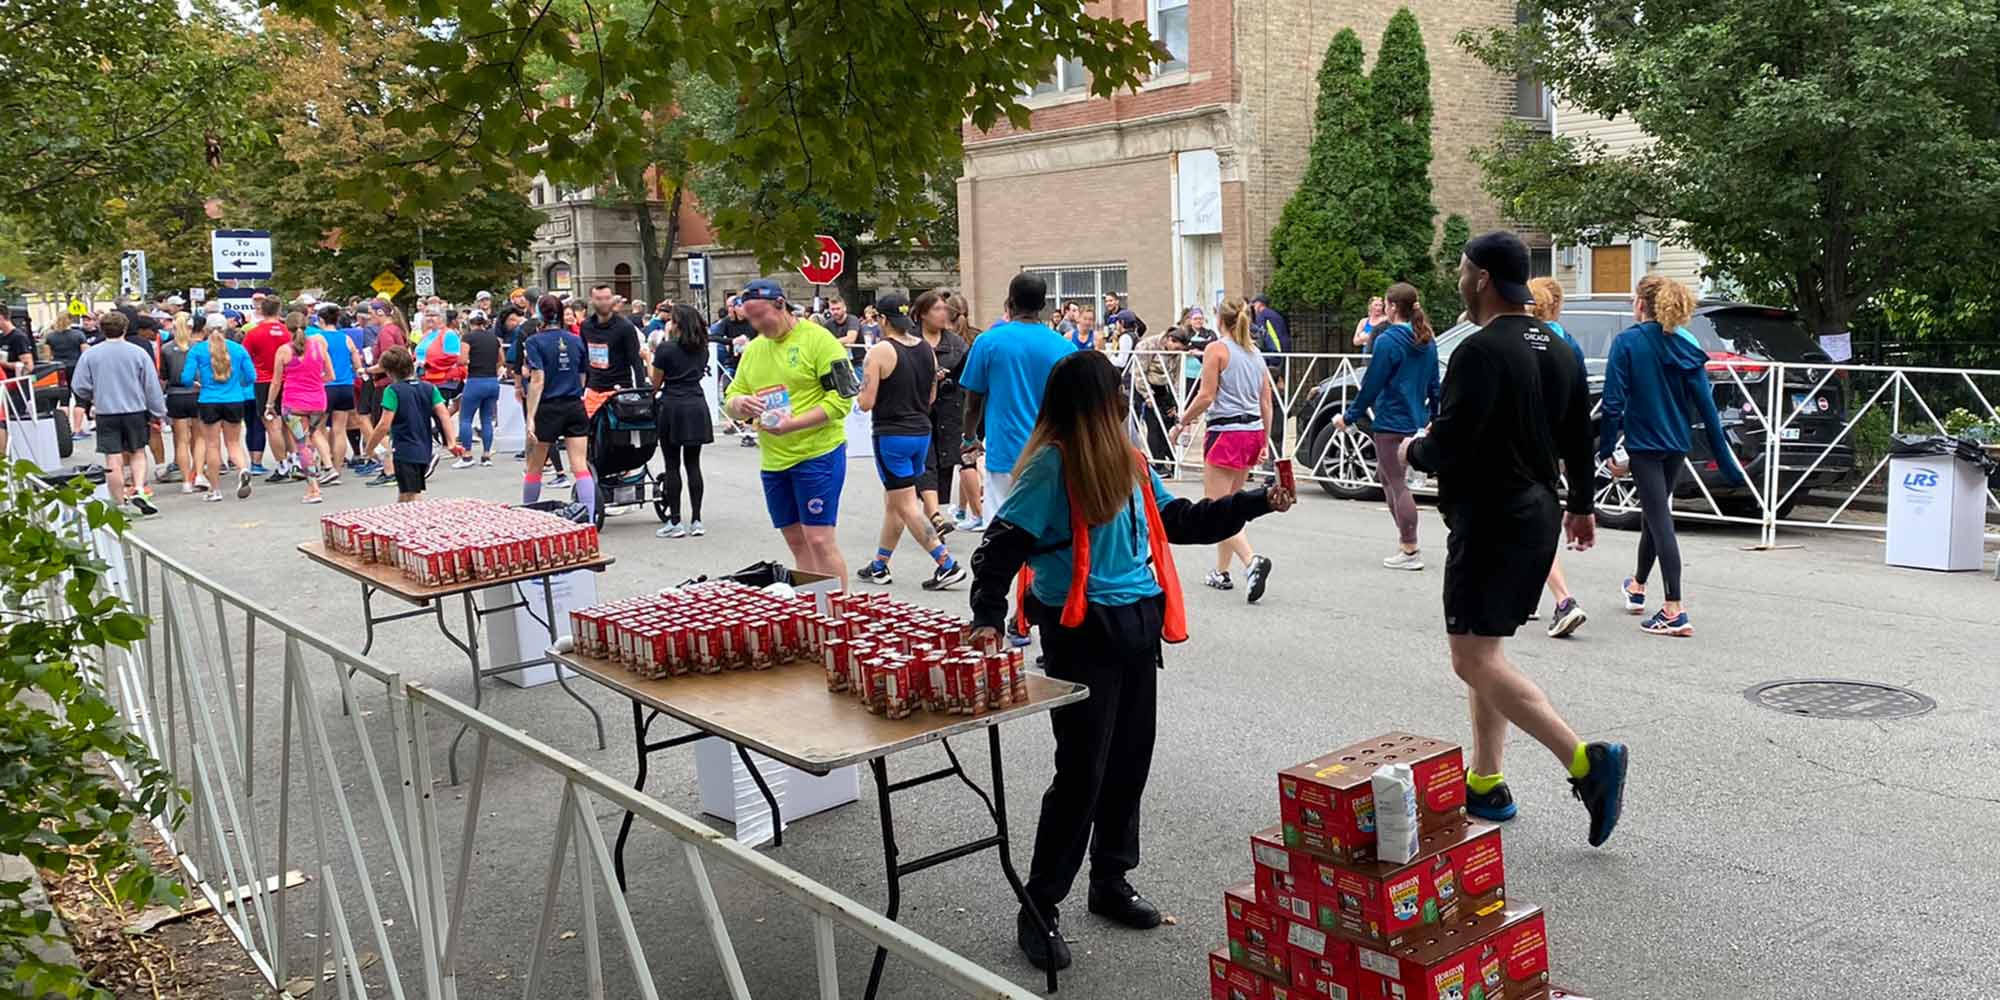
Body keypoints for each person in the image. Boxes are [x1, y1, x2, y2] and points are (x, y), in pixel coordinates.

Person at [967, 350, 1294, 971]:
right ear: (1099, 405)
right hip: (1080, 632)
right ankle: (1040, 906)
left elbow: (1180, 521)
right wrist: (987, 619)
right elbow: (997, 552)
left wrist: (1256, 501)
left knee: (1128, 762)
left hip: (1136, 627)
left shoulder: (1132, 462)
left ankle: (1110, 880)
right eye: (1116, 396)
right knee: (1082, 774)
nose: (1123, 404)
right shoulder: (1052, 467)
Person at [1400, 231, 1627, 844]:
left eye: (1461, 267)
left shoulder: (1478, 351)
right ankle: (1486, 782)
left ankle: (1587, 762)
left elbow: (1451, 442)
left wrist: (1411, 448)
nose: (1456, 275)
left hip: (1493, 517)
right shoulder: (1558, 345)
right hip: (1536, 512)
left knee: (1470, 657)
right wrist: (1581, 505)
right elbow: (1581, 435)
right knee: (1488, 652)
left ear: (1480, 278)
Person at [1601, 274, 1743, 638]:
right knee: (1655, 512)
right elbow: (1708, 410)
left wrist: (1605, 449)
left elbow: (1613, 402)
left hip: (1645, 445)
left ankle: (1674, 608)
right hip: (1676, 444)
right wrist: (1727, 462)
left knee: (1660, 519)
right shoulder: (1687, 348)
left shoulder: (1627, 343)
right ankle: (1637, 587)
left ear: (1640, 304)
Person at [723, 279, 856, 588]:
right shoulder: (755, 349)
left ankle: (839, 613)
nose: (756, 325)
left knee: (819, 538)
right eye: (750, 318)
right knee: (797, 541)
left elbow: (842, 400)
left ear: (781, 304)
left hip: (818, 452)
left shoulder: (820, 341)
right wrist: (740, 403)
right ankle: (812, 609)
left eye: (760, 316)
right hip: (774, 460)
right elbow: (731, 398)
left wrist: (792, 424)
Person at [856, 293, 965, 590]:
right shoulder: (925, 350)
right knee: (895, 501)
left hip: (892, 435)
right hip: (921, 432)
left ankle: (946, 564)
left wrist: (855, 391)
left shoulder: (879, 351)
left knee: (906, 504)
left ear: (882, 319)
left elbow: (866, 402)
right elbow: (931, 396)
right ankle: (880, 564)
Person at [1170, 297, 1277, 602]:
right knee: (1230, 506)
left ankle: (1251, 560)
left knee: (1216, 507)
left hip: (1226, 432)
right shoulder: (1255, 354)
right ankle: (1221, 570)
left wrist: (1181, 422)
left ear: (1219, 320)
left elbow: (1205, 397)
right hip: (1252, 431)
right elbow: (1266, 403)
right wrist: (1265, 440)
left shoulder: (1216, 349)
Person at [1331, 282, 1440, 570]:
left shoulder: (1388, 341)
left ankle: (1410, 547)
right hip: (1416, 419)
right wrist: (1435, 418)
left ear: (1392, 307)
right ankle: (1406, 542)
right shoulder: (1427, 339)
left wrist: (1349, 416)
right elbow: (1433, 384)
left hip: (1392, 419)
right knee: (1387, 476)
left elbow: (1372, 383)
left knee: (1396, 482)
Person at [961, 273, 1077, 522]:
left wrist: (969, 437)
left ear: (1010, 303)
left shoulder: (987, 342)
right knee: (1045, 527)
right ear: (1043, 306)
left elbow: (973, 402)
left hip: (1005, 451)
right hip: (1051, 452)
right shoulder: (1065, 347)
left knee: (1001, 526)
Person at [1527, 277, 1588, 638]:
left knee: (1529, 524)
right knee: (1528, 518)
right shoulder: (1567, 342)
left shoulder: (1524, 340)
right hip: (1555, 440)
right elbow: (1578, 400)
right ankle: (1529, 597)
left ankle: (1564, 600)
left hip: (1524, 441)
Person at [69, 312, 165, 516]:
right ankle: (139, 488)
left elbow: (79, 385)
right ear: (125, 328)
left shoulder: (91, 354)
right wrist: (158, 411)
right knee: (138, 451)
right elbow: (151, 385)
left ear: (102, 329)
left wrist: (93, 396)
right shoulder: (138, 353)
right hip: (135, 410)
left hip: (106, 411)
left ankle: (119, 502)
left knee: (113, 458)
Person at [521, 294, 593, 506]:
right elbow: (582, 375)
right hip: (573, 403)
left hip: (548, 406)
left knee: (535, 466)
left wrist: (531, 417)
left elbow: (537, 379)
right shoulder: (576, 340)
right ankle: (589, 515)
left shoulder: (534, 341)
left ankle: (528, 511)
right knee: (579, 465)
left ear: (540, 314)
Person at [365, 348, 464, 501]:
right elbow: (444, 414)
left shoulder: (392, 391)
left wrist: (370, 447)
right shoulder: (429, 388)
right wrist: (451, 442)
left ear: (389, 372)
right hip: (424, 448)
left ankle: (414, 522)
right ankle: (402, 520)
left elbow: (384, 424)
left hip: (404, 448)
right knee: (408, 492)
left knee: (411, 494)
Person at [650, 304, 715, 538]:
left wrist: (649, 356)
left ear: (678, 324)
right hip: (696, 403)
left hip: (672, 404)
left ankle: (675, 521)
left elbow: (655, 382)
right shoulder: (702, 349)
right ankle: (696, 519)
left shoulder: (665, 349)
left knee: (671, 464)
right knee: (693, 463)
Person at [180, 316, 257, 502]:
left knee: (212, 445)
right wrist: (240, 384)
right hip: (235, 399)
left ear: (205, 329)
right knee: (233, 443)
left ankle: (215, 490)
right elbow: (251, 376)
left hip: (209, 400)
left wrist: (197, 384)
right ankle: (243, 468)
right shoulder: (238, 349)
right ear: (226, 329)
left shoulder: (198, 350)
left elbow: (185, 378)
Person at [914, 290, 971, 538]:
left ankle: (930, 513)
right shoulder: (910, 342)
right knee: (926, 461)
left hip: (949, 411)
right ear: (923, 314)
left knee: (943, 462)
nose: (943, 313)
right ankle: (935, 517)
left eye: (944, 309)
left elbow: (967, 383)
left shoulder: (957, 345)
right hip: (917, 411)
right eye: (937, 309)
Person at [269, 316, 337, 502]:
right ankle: (325, 470)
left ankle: (313, 489)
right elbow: (331, 375)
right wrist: (315, 383)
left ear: (287, 329)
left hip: (294, 403)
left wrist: (269, 404)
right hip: (318, 402)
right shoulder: (318, 346)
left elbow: (276, 382)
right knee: (312, 437)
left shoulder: (283, 351)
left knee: (302, 445)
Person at [945, 292, 987, 529]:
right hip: (982, 403)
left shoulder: (950, 343)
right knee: (966, 459)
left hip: (961, 405)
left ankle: (978, 513)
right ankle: (963, 508)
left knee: (967, 460)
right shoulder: (979, 337)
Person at [241, 297, 294, 478]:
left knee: (272, 426)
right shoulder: (289, 332)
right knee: (289, 423)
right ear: (279, 310)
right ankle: (294, 461)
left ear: (262, 311)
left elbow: (244, 358)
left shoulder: (254, 333)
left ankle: (282, 466)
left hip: (264, 381)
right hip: (289, 380)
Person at [310, 304, 366, 473]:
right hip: (346, 385)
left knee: (319, 429)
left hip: (326, 386)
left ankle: (327, 465)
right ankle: (338, 468)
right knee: (339, 429)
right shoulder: (346, 338)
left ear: (320, 320)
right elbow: (357, 362)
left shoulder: (318, 338)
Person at [1132, 325, 1190, 476]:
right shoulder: (1148, 345)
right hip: (1146, 386)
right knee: (1154, 425)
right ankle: (1159, 464)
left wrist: (1176, 401)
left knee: (1169, 423)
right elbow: (1139, 373)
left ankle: (1171, 459)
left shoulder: (1177, 353)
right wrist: (1147, 395)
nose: (1177, 352)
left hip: (1164, 388)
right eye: (1176, 347)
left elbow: (1176, 376)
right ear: (1170, 340)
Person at [452, 311, 503, 467]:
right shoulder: (494, 339)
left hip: (475, 380)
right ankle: (486, 455)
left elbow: (461, 360)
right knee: (487, 419)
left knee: (466, 418)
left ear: (470, 322)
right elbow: (502, 359)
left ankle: (467, 455)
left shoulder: (468, 337)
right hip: (492, 381)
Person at [158, 314, 203, 493]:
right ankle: (198, 473)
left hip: (176, 394)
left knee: (181, 440)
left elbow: (164, 375)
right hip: (196, 393)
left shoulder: (167, 349)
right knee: (199, 437)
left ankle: (185, 481)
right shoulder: (199, 347)